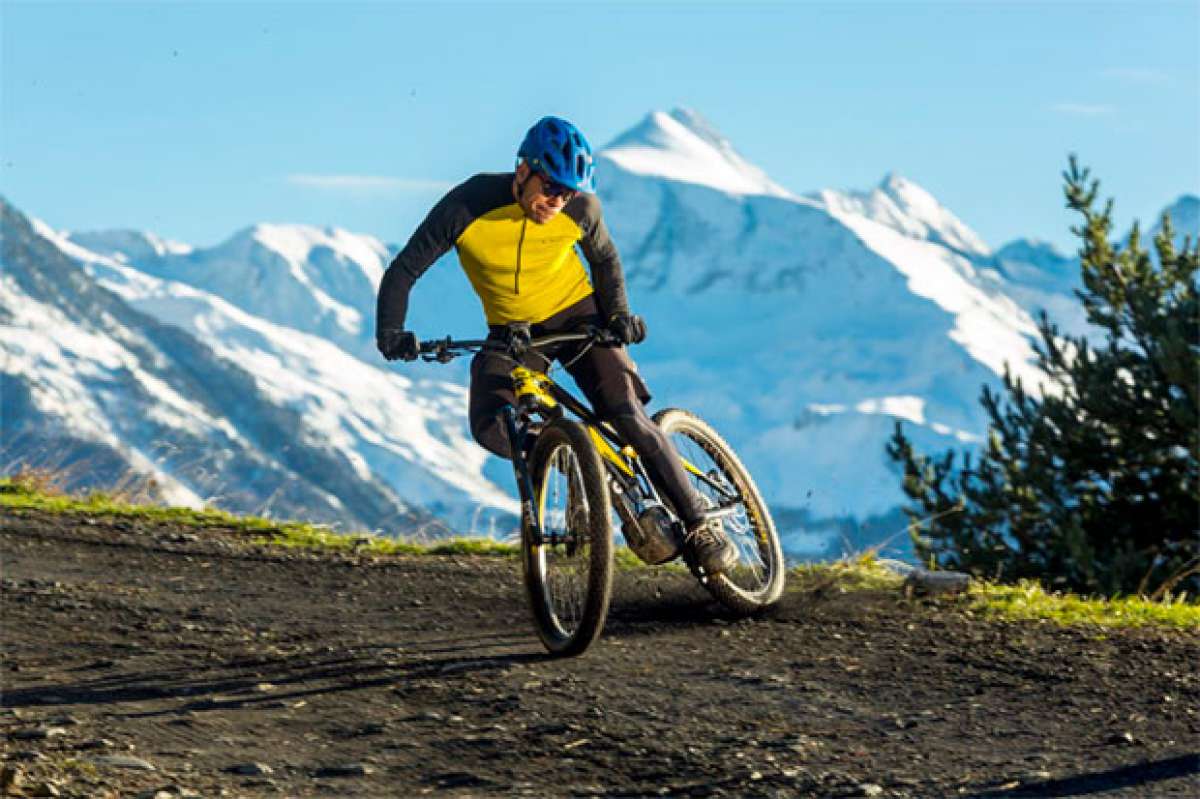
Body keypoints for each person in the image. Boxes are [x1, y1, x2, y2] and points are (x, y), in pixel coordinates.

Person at [375, 115, 737, 575]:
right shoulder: (467, 205)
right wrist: (391, 332)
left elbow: (604, 260)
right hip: (514, 332)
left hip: (578, 315)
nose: (557, 201)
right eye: (550, 188)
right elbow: (404, 269)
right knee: (490, 425)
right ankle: (582, 463)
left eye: (567, 192)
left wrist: (618, 317)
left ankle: (698, 523)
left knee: (625, 414)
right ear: (523, 170)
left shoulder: (581, 209)